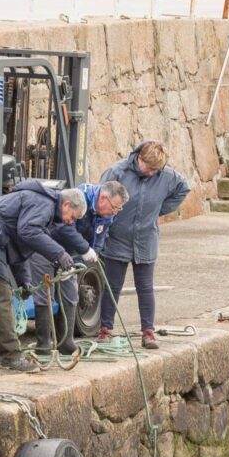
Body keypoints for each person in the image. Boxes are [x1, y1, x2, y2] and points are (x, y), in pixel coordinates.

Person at [0, 183, 87, 373]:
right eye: (72, 217)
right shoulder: (44, 204)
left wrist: (24, 280)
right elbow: (28, 232)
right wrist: (59, 254)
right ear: (66, 205)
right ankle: (11, 355)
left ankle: (1, 351)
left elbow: (21, 244)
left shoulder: (42, 204)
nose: (69, 222)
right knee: (0, 299)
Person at [98, 140, 189, 350]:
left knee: (145, 287)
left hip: (146, 238)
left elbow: (184, 188)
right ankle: (105, 330)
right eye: (148, 168)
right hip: (117, 236)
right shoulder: (117, 172)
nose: (151, 173)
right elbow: (100, 198)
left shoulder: (166, 176)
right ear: (139, 159)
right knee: (112, 286)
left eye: (155, 170)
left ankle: (148, 332)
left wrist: (160, 209)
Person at [30, 180, 129, 357]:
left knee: (71, 293)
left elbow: (100, 235)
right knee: (45, 293)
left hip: (71, 254)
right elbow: (65, 228)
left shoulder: (107, 214)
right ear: (103, 198)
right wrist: (85, 249)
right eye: (114, 207)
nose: (114, 212)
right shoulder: (78, 198)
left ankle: (65, 342)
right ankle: (43, 344)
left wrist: (94, 254)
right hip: (47, 246)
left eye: (118, 209)